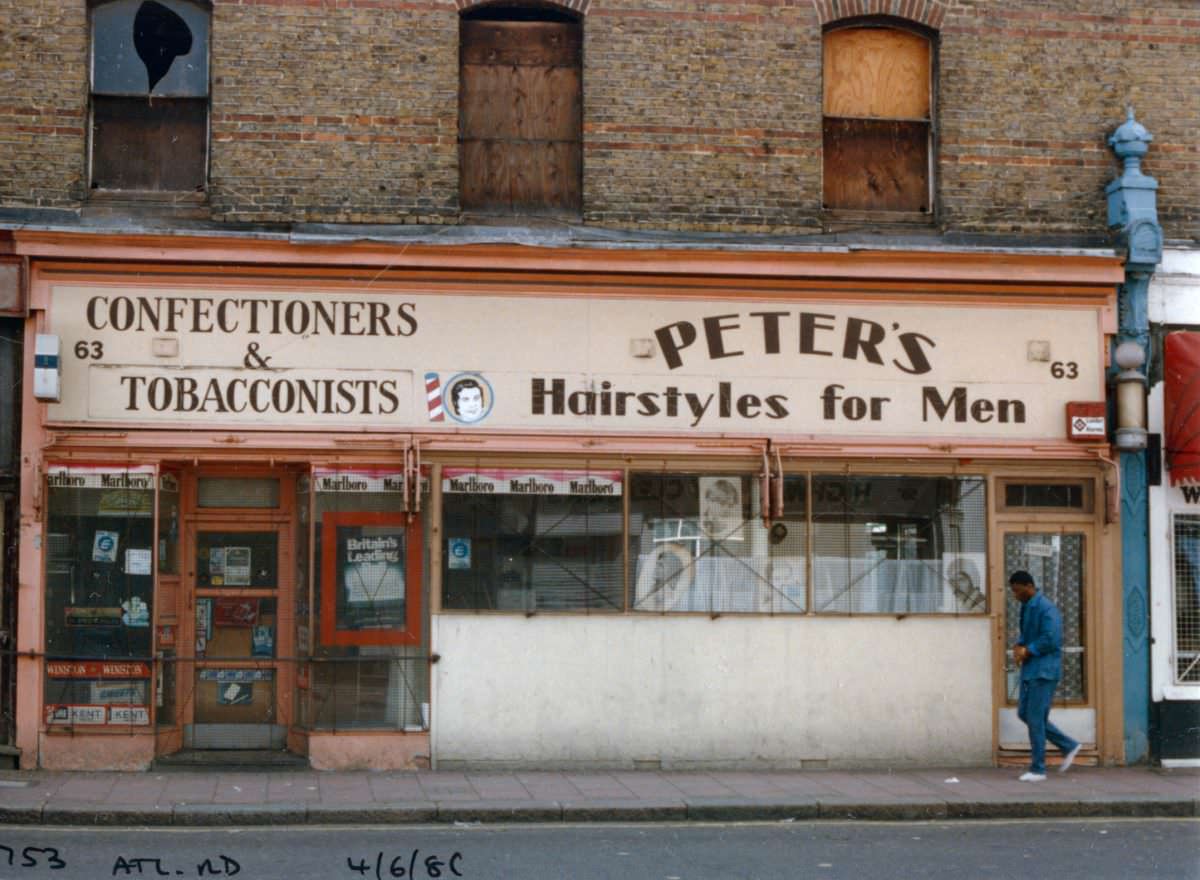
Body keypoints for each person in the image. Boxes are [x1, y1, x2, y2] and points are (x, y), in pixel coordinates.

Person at [1009, 570, 1082, 781]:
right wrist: (1019, 645)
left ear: (1028, 586)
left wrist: (1028, 650)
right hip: (1032, 670)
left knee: (1034, 718)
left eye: (1017, 590)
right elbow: (1027, 633)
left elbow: (1051, 639)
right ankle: (1068, 745)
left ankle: (1038, 769)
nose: (1015, 595)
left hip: (1044, 671)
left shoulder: (1046, 608)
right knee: (1025, 713)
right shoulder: (1026, 606)